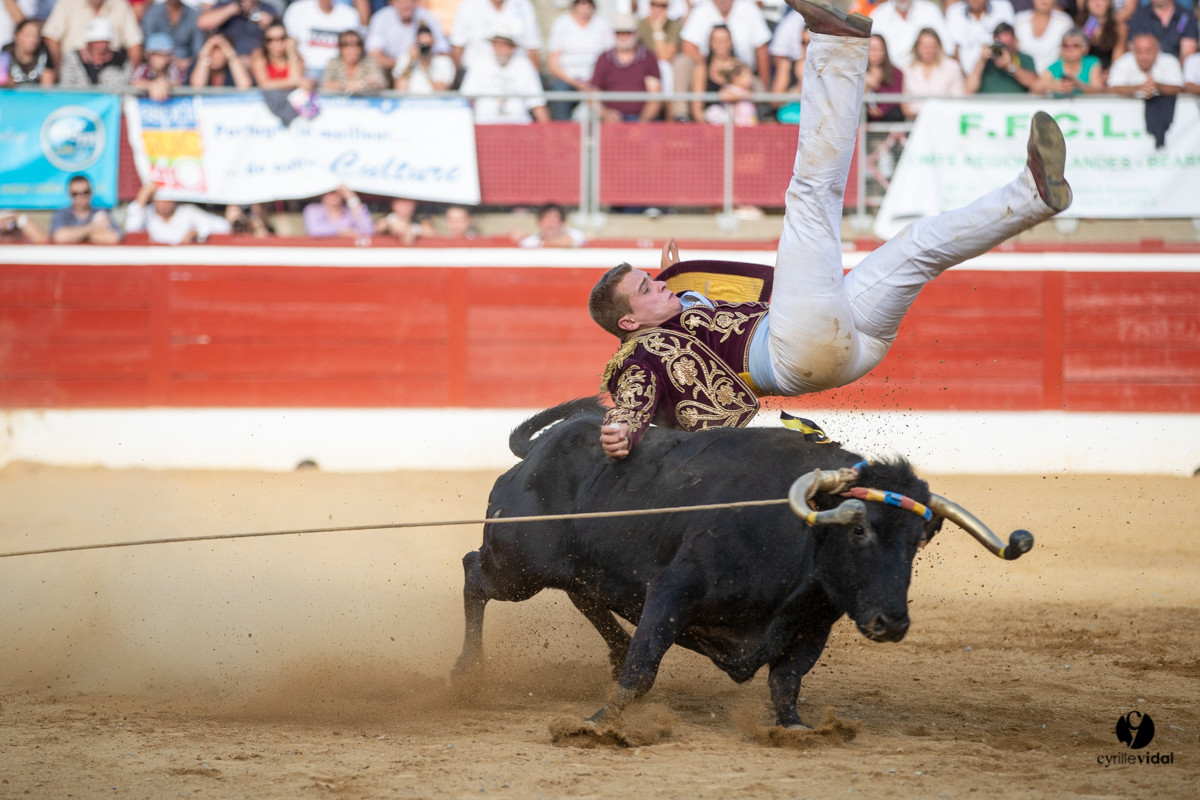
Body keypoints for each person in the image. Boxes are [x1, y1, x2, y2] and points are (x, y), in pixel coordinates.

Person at [590, 0, 1072, 459]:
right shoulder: (639, 355)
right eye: (645, 288)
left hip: (847, 347)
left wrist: (680, 278)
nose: (657, 282)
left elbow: (696, 309)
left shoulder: (681, 305)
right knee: (810, 196)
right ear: (628, 323)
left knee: (917, 244)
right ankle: (836, 43)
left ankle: (1032, 196)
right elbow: (634, 398)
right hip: (791, 349)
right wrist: (622, 431)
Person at [459, 22, 548, 124]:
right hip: (484, 125)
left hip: (519, 126)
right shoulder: (479, 63)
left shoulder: (524, 65)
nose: (500, 49)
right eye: (497, 45)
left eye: (505, 45)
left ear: (512, 48)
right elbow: (467, 101)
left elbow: (537, 104)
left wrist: (548, 133)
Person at [546, 0, 614, 121]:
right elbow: (553, 63)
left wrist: (594, 80)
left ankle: (609, 132)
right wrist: (576, 83)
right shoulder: (561, 23)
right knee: (560, 93)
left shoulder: (602, 24)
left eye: (587, 3)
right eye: (580, 3)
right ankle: (561, 132)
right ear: (574, 5)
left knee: (607, 101)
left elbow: (608, 58)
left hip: (595, 79)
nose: (584, 7)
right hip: (567, 79)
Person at [589, 13, 662, 122]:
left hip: (641, 119)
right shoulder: (604, 58)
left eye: (628, 32)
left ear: (636, 33)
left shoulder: (648, 57)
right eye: (619, 33)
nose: (623, 36)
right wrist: (606, 115)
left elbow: (655, 96)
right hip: (611, 120)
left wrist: (642, 122)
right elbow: (593, 94)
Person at [42, 0, 143, 71]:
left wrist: (131, 75)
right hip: (75, 69)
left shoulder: (119, 4)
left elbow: (134, 42)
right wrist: (60, 69)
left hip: (112, 68)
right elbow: (51, 36)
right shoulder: (68, 3)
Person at [449, 0, 543, 74]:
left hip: (515, 74)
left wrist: (535, 78)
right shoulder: (468, 5)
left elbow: (532, 49)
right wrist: (459, 78)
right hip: (474, 74)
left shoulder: (523, 5)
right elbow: (457, 46)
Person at [125, 182, 233, 245]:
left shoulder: (187, 212)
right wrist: (142, 196)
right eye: (160, 200)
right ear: (153, 200)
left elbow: (223, 226)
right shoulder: (147, 214)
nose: (164, 204)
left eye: (168, 200)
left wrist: (197, 232)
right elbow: (131, 228)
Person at [283, 0, 363, 79]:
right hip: (306, 69)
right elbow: (290, 43)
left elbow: (354, 46)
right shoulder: (298, 9)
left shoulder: (349, 14)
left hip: (338, 70)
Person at [366, 0, 449, 74]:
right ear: (392, 2)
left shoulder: (428, 17)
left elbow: (443, 51)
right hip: (390, 70)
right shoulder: (381, 18)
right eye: (401, 1)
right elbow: (374, 55)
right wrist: (405, 63)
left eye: (409, 1)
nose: (405, 4)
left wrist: (424, 54)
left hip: (421, 69)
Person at [901, 27, 964, 117]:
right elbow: (904, 103)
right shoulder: (907, 69)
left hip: (944, 119)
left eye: (932, 46)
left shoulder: (952, 67)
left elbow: (958, 99)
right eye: (924, 46)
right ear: (917, 47)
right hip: (913, 122)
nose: (928, 50)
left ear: (939, 47)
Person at [690, 24, 747, 122]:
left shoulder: (739, 66)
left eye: (725, 40)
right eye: (717, 40)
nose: (721, 44)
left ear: (731, 42)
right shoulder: (703, 67)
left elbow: (747, 92)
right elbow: (697, 105)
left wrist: (734, 95)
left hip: (739, 121)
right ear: (711, 43)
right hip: (711, 121)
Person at [58, 16, 133, 89]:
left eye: (104, 41)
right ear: (89, 42)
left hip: (111, 100)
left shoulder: (121, 61)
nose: (101, 45)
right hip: (79, 100)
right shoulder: (72, 58)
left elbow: (126, 86)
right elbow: (67, 87)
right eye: (97, 42)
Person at [946, 0, 1017, 76]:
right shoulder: (954, 11)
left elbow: (1012, 42)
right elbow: (954, 51)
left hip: (1001, 73)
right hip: (969, 76)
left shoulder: (1003, 7)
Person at [964, 20, 1038, 92]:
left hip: (1016, 103)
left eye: (1007, 46)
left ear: (1015, 41)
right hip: (989, 103)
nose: (1003, 49)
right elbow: (969, 90)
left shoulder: (1025, 58)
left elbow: (1036, 85)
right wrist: (981, 61)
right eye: (999, 43)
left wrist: (1010, 66)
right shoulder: (986, 61)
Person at [195, 0, 275, 66]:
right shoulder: (227, 5)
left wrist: (271, 23)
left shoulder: (268, 8)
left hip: (259, 63)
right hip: (230, 63)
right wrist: (234, 8)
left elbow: (279, 34)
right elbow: (203, 23)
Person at [869, 0, 950, 64]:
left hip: (925, 72)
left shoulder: (931, 10)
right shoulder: (879, 14)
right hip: (890, 76)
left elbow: (948, 48)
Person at [50, 175, 122, 244]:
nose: (81, 197)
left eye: (86, 192)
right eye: (75, 193)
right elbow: (60, 237)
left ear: (91, 192)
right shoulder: (61, 214)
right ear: (69, 194)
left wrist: (76, 235)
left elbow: (113, 238)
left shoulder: (102, 212)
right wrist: (93, 227)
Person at [1034, 26, 1104, 94]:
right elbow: (1034, 89)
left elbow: (1100, 90)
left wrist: (1079, 85)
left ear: (1085, 48)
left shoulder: (1092, 63)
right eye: (1066, 46)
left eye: (1075, 46)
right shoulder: (1054, 67)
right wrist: (1052, 86)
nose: (1070, 49)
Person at [141, 0, 204, 71]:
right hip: (158, 66)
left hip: (187, 69)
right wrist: (166, 59)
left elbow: (198, 52)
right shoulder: (152, 12)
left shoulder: (194, 15)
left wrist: (187, 63)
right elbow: (149, 47)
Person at [1126, 0, 1197, 62]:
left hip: (1176, 70)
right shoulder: (1138, 17)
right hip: (1144, 69)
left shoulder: (1186, 17)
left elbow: (1187, 55)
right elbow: (1133, 49)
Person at [1014, 0, 1075, 72]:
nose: (1044, 1)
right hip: (1022, 76)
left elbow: (1070, 54)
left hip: (1054, 77)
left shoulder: (1065, 21)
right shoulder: (1019, 20)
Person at [393, 22, 455, 92]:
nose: (425, 49)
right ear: (416, 43)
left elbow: (441, 91)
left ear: (433, 42)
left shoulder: (443, 61)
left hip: (434, 101)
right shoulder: (405, 59)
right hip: (410, 100)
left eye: (427, 45)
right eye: (422, 45)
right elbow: (400, 90)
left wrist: (426, 69)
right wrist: (410, 62)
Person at [320, 28, 386, 92]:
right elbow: (324, 84)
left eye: (357, 44)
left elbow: (381, 84)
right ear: (340, 48)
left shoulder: (369, 63)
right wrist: (345, 85)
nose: (352, 49)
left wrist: (369, 84)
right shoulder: (333, 63)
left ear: (362, 47)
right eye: (346, 44)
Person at [250, 21, 309, 89]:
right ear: (264, 42)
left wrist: (292, 53)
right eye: (270, 40)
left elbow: (296, 78)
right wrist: (292, 82)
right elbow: (264, 84)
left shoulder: (297, 59)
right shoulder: (260, 60)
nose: (276, 44)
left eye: (281, 38)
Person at [302, 185, 374, 238]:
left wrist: (351, 197)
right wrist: (340, 232)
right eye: (330, 192)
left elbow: (368, 230)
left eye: (337, 193)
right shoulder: (312, 210)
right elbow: (314, 231)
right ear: (322, 194)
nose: (334, 196)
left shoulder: (350, 212)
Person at [0, 18, 55, 86]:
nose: (33, 40)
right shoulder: (7, 51)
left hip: (37, 95)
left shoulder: (43, 52)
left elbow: (48, 86)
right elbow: (2, 79)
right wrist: (6, 81)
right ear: (17, 36)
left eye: (36, 35)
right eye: (28, 34)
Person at [131, 31, 185, 100]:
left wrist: (166, 84)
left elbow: (179, 83)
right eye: (155, 54)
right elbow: (134, 82)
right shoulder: (144, 68)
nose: (158, 59)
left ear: (169, 56)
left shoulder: (176, 68)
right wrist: (151, 85)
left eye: (163, 54)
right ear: (148, 56)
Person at [1076, 0, 1126, 71]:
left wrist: (1108, 74)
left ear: (1109, 3)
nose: (1097, 2)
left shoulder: (1118, 28)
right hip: (1085, 72)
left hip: (1109, 72)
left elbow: (1118, 58)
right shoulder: (1079, 25)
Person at [865, 31, 905, 121]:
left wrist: (881, 110)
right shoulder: (859, 73)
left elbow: (896, 98)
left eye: (878, 49)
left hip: (888, 117)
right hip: (866, 118)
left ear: (884, 51)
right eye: (871, 49)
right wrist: (866, 86)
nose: (874, 53)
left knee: (896, 113)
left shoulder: (896, 73)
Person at [189, 33, 253, 87]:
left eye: (219, 53)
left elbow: (245, 86)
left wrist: (231, 55)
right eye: (211, 52)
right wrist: (204, 55)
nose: (215, 56)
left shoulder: (232, 68)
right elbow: (197, 87)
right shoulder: (198, 65)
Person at [518, 203, 586, 248]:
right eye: (547, 219)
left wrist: (544, 242)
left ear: (562, 222)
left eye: (555, 220)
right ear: (540, 222)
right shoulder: (530, 241)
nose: (550, 224)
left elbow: (569, 241)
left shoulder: (575, 234)